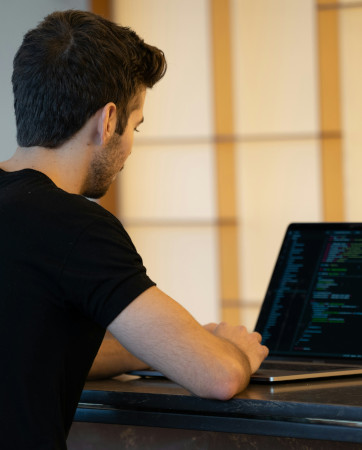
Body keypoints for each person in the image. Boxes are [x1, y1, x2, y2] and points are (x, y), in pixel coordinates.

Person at [0, 9, 268, 449]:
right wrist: (234, 349)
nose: (130, 149)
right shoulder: (74, 226)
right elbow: (218, 376)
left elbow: (29, 346)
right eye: (136, 125)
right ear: (108, 121)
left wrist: (162, 347)